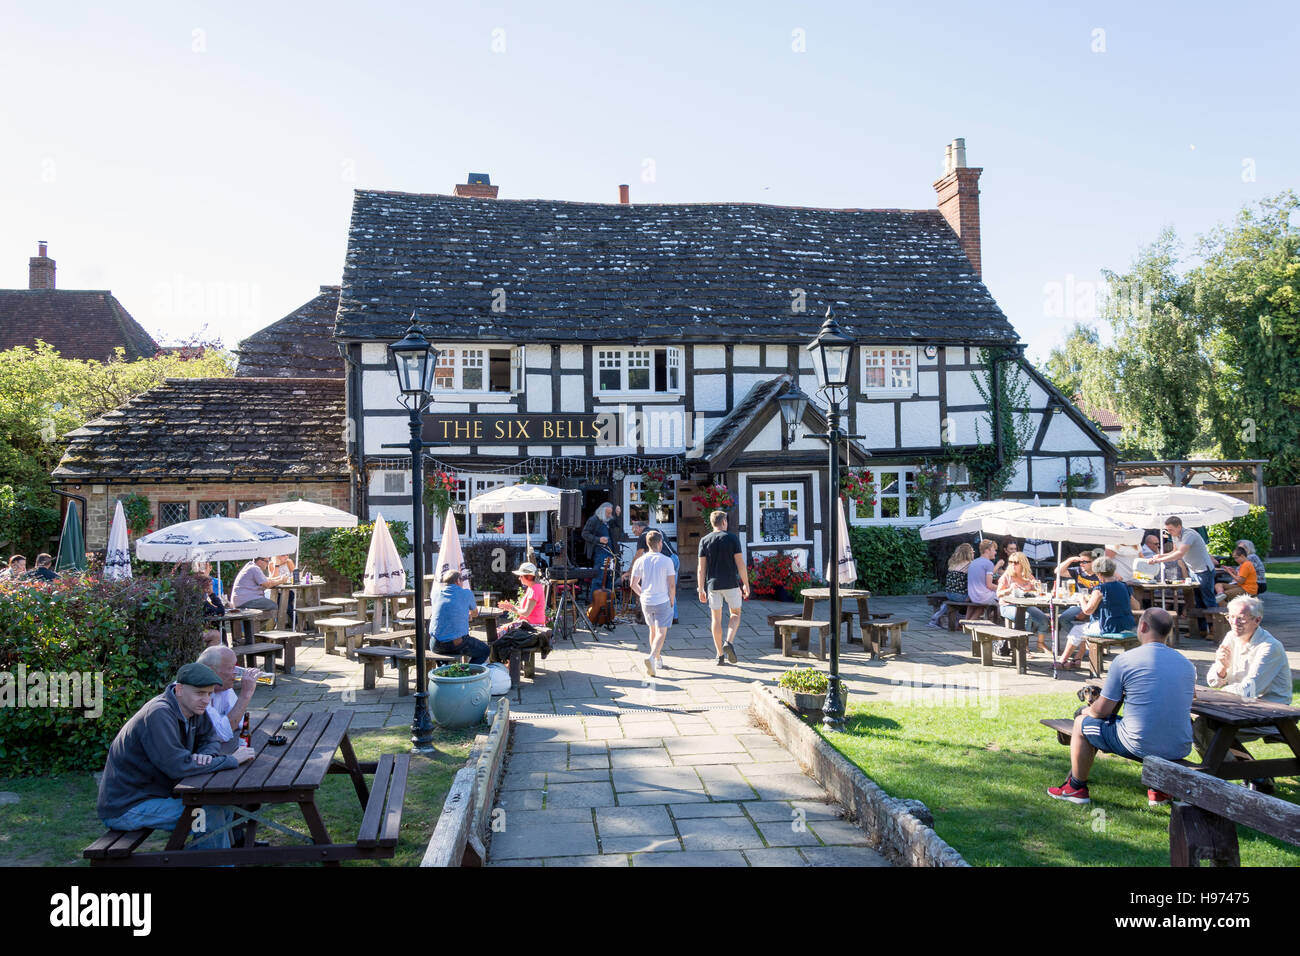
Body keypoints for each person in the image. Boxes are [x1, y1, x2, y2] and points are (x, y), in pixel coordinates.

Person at [97, 662, 255, 848]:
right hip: (127, 806)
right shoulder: (159, 714)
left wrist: (207, 755)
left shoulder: (192, 707)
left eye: (209, 693)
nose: (206, 700)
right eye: (200, 693)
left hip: (156, 794)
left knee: (222, 807)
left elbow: (210, 738)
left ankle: (210, 859)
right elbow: (178, 767)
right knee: (207, 816)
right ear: (179, 689)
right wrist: (231, 760)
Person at [1048, 608, 1193, 806]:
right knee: (1153, 722)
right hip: (1179, 745)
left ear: (1142, 626)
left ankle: (1075, 788)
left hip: (1139, 743)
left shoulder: (1125, 660)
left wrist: (1086, 711)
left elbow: (1102, 710)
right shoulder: (1186, 664)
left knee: (1082, 723)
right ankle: (1158, 790)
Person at [1193, 595, 1290, 792]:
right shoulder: (1231, 637)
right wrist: (1221, 666)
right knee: (1198, 724)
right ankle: (1254, 776)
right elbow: (1214, 680)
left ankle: (1246, 776)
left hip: (1271, 711)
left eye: (1242, 619)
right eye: (1231, 617)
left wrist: (1211, 696)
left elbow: (1249, 689)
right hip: (1239, 707)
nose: (1235, 623)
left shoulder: (1269, 647)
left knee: (1208, 727)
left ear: (1257, 620)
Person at [1059, 557, 1141, 670]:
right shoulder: (1124, 586)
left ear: (1098, 573)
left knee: (1077, 630)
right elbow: (1137, 606)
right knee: (1084, 628)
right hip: (1127, 625)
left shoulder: (1100, 589)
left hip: (1108, 627)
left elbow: (1088, 611)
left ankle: (1062, 660)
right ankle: (1077, 659)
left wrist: (1081, 599)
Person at [696, 509, 749, 666]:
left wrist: (700, 588)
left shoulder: (704, 540)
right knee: (735, 614)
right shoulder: (732, 538)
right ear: (724, 522)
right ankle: (729, 642)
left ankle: (719, 655)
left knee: (716, 619)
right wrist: (746, 584)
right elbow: (740, 564)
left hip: (713, 584)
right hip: (731, 584)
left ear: (712, 523)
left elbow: (701, 568)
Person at [1149, 518, 1217, 637]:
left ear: (1179, 527)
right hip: (1193, 570)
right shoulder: (1175, 536)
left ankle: (1213, 630)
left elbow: (1180, 554)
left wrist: (1159, 560)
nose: (1169, 532)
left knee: (1208, 600)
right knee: (1197, 601)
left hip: (1204, 569)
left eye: (1171, 529)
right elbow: (1174, 552)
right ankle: (1201, 630)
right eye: (1167, 529)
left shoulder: (1189, 534)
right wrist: (1160, 555)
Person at [630, 530, 677, 676]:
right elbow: (671, 585)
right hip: (662, 600)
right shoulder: (667, 560)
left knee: (652, 631)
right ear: (660, 543)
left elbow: (633, 583)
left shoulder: (640, 560)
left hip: (646, 601)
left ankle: (657, 659)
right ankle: (651, 657)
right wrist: (672, 600)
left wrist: (642, 594)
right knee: (661, 632)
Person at [195, 645, 261, 743]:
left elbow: (241, 721)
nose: (236, 673)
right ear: (211, 671)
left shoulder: (223, 687)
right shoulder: (196, 693)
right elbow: (221, 735)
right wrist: (245, 695)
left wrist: (225, 722)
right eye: (231, 668)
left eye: (236, 667)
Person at [428, 568, 488, 664]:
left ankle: (443, 673)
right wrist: (468, 614)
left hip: (435, 644)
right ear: (458, 581)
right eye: (462, 580)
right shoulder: (466, 593)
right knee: (485, 651)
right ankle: (465, 674)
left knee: (443, 656)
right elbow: (475, 613)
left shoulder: (436, 593)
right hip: (456, 643)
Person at [628, 518, 680, 623]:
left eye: (634, 531)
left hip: (665, 561)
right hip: (675, 558)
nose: (635, 534)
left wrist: (630, 570)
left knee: (664, 588)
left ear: (639, 527)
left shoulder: (644, 536)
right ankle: (674, 616)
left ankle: (667, 616)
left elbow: (639, 554)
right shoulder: (657, 531)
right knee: (671, 587)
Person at [996, 553, 1050, 651]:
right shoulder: (1007, 576)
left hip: (1026, 605)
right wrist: (1009, 589)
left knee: (1044, 619)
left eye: (1016, 562)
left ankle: (1040, 644)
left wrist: (1036, 587)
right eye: (1010, 562)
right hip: (1007, 606)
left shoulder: (1028, 576)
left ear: (1023, 563)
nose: (1012, 564)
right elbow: (998, 594)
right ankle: (1023, 646)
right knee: (1026, 617)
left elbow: (1036, 593)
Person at [1054, 549, 1100, 636]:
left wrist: (1085, 612)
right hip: (1080, 604)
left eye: (1084, 562)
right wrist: (1070, 560)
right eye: (1080, 562)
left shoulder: (1100, 574)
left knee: (1095, 623)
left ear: (1093, 562)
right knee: (1063, 619)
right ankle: (1082, 638)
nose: (1081, 564)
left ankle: (1087, 640)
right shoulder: (1078, 571)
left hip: (1097, 606)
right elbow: (1057, 571)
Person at [928, 543, 974, 628]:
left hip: (949, 594)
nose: (973, 553)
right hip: (961, 596)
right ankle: (967, 622)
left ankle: (937, 617)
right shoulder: (969, 565)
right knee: (978, 598)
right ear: (968, 553)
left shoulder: (953, 563)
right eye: (972, 552)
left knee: (954, 602)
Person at [497, 562, 547, 638]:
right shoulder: (532, 588)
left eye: (521, 576)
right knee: (498, 630)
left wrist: (511, 608)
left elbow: (526, 613)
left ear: (528, 577)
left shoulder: (534, 590)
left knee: (497, 633)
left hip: (532, 626)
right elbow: (524, 611)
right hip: (527, 624)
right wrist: (510, 607)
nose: (519, 578)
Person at [581, 503, 618, 595]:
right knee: (599, 577)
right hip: (599, 552)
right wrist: (599, 539)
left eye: (610, 513)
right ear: (601, 511)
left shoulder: (607, 520)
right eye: (608, 513)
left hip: (609, 552)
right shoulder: (593, 520)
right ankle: (594, 602)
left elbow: (615, 524)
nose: (609, 515)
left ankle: (607, 601)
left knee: (609, 577)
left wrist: (617, 514)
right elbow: (584, 534)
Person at [966, 539, 999, 615]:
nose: (995, 552)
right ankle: (1001, 622)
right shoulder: (989, 564)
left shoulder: (973, 562)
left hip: (972, 596)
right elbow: (989, 585)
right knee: (1004, 599)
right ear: (988, 550)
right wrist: (1003, 588)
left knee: (982, 606)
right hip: (982, 597)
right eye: (994, 550)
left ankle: (968, 623)